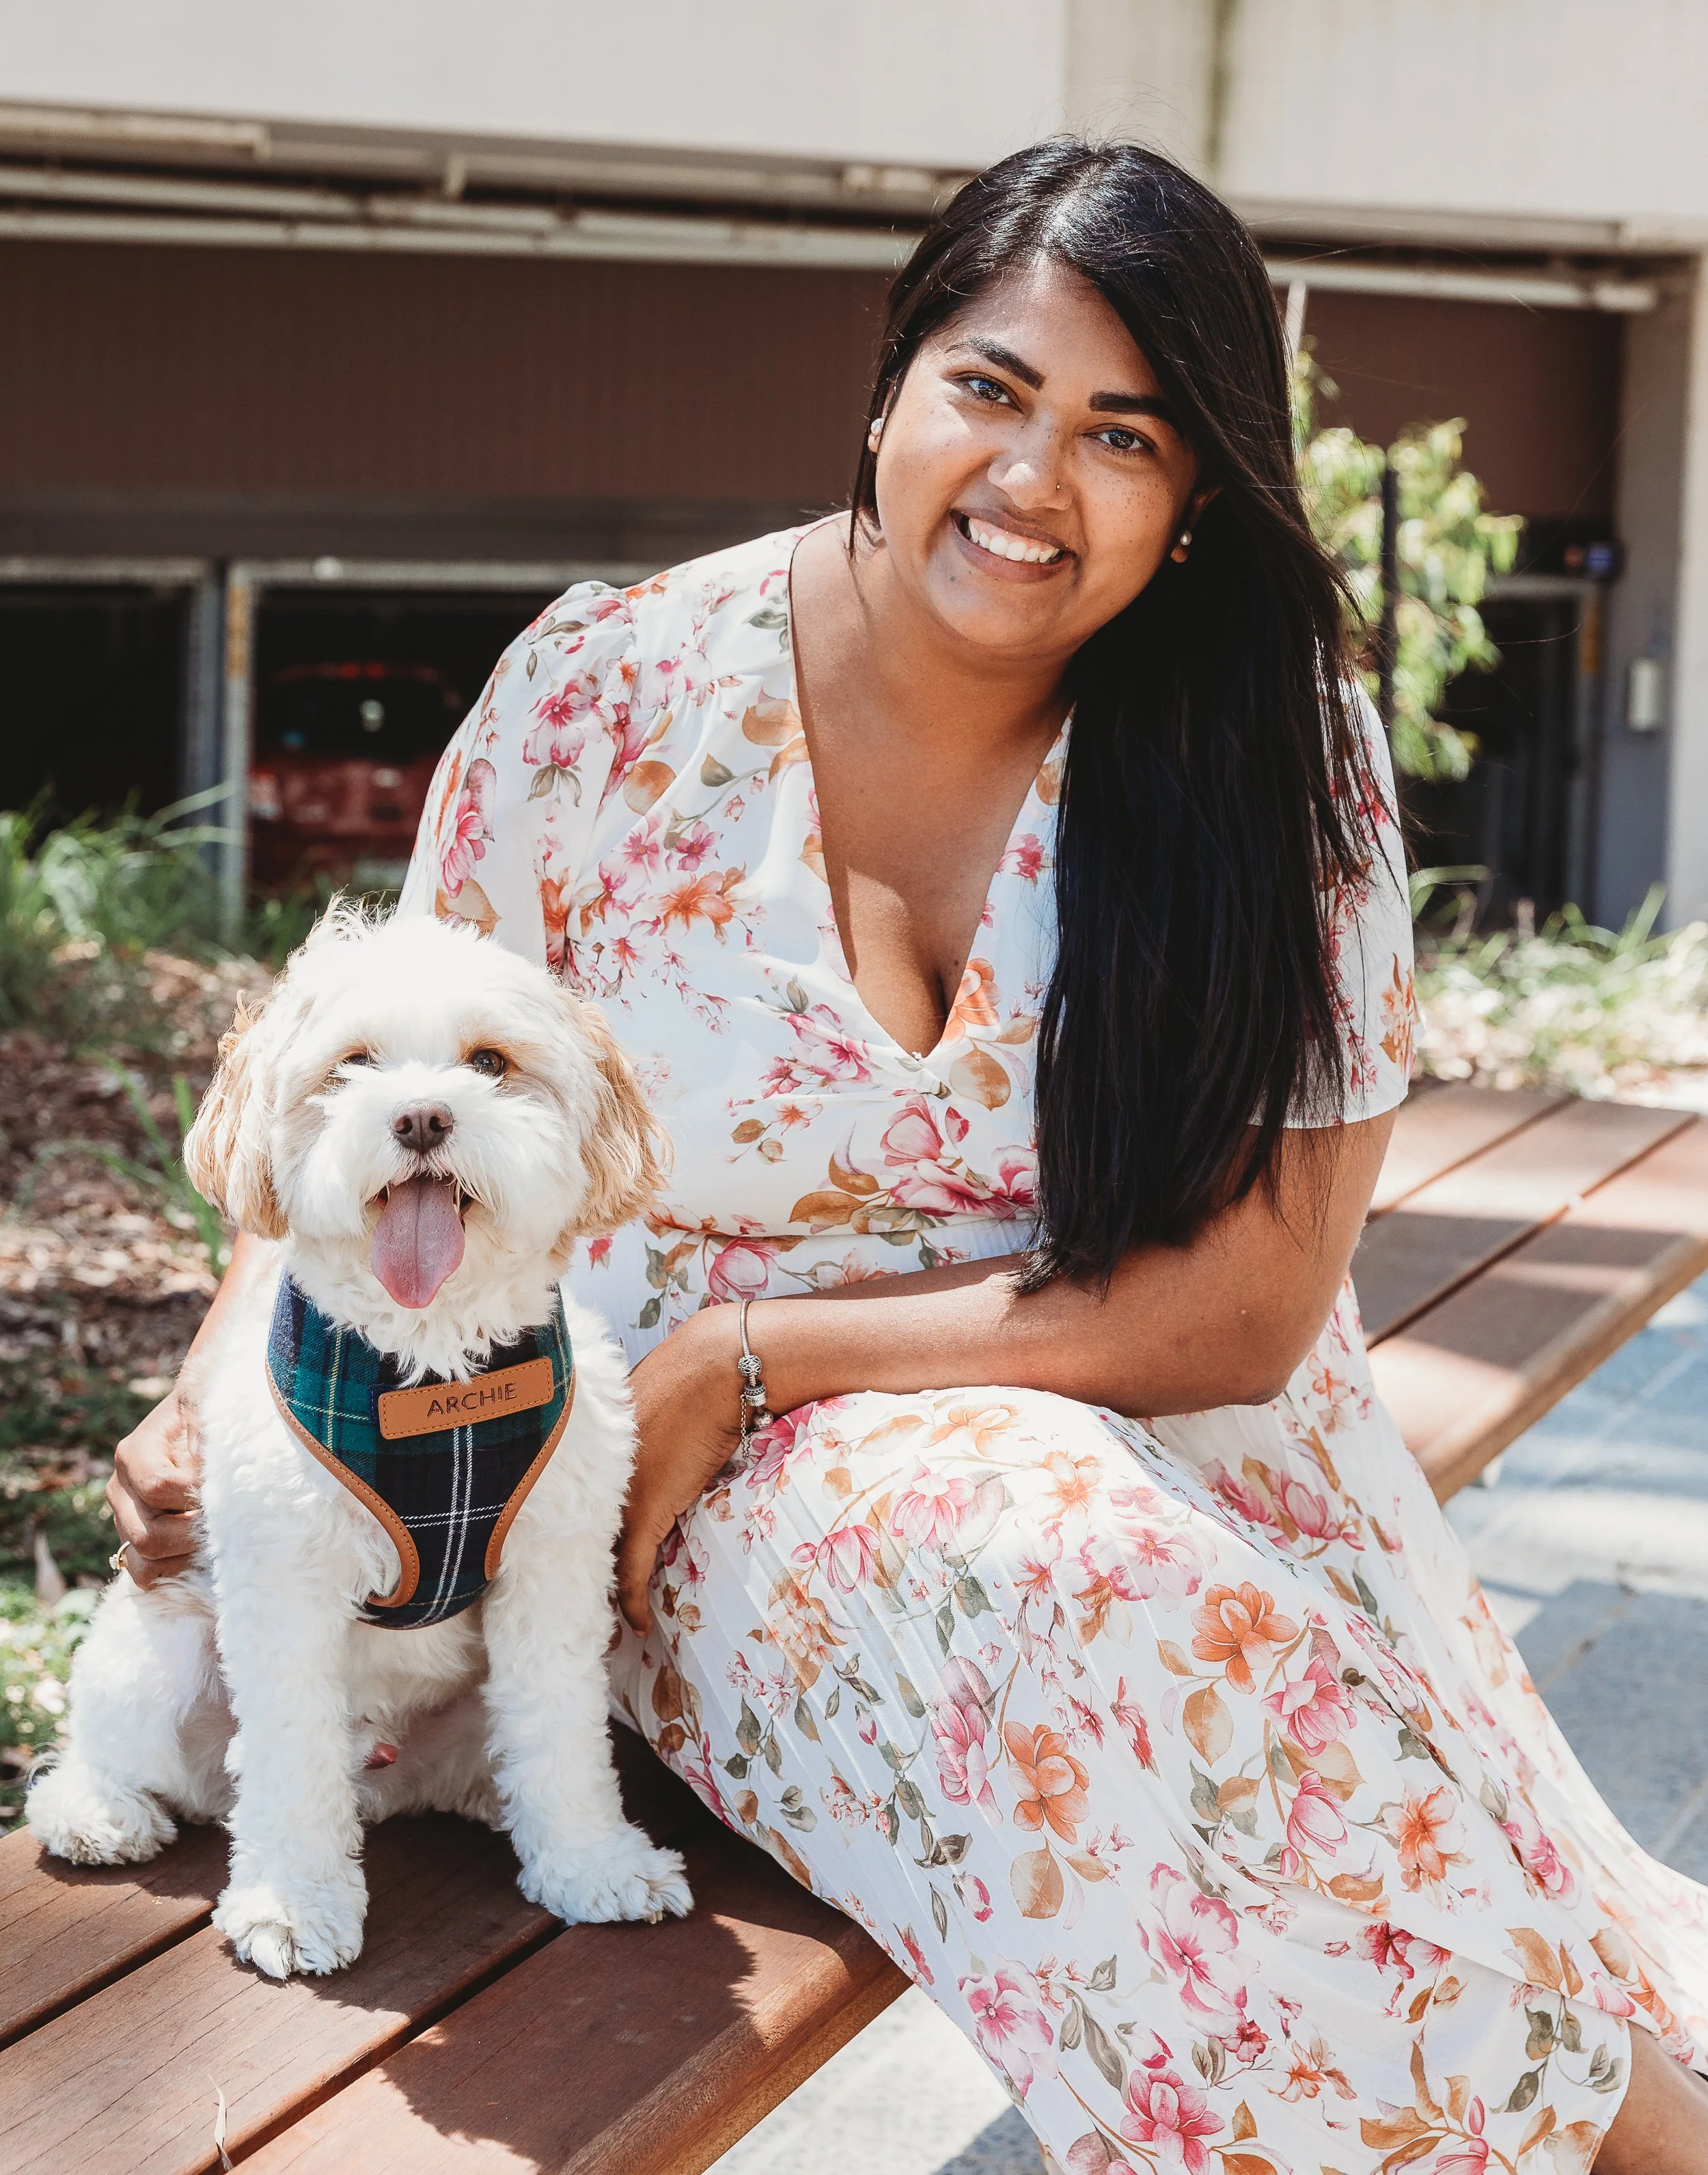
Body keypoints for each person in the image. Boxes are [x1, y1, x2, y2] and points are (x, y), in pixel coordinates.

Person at [111, 144, 1708, 2170]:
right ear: (887, 386)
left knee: (1174, 1665)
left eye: (1121, 432)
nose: (1034, 477)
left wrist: (755, 1348)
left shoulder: (1268, 749)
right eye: (988, 388)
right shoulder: (603, 700)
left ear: (1201, 487)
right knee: (1080, 1608)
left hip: (1163, 1428)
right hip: (732, 1508)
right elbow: (386, 1094)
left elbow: (1243, 1306)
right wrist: (210, 1371)